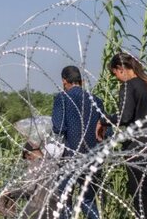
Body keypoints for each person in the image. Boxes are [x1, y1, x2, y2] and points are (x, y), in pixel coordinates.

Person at [96, 52, 147, 218]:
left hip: (138, 151)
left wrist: (104, 120)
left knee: (141, 202)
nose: (118, 79)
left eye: (115, 75)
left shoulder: (130, 86)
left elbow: (125, 116)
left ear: (120, 69)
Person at [51, 65, 104, 219]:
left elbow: (59, 128)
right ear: (80, 81)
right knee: (87, 199)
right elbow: (104, 129)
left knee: (64, 199)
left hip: (70, 155)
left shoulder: (62, 98)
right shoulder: (96, 100)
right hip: (92, 155)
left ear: (64, 81)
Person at [0, 142, 59, 218]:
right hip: (52, 208)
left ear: (32, 152)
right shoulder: (53, 165)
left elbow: (30, 190)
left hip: (37, 209)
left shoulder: (38, 166)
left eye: (29, 158)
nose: (30, 161)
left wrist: (11, 193)